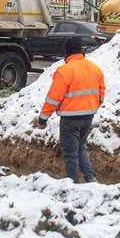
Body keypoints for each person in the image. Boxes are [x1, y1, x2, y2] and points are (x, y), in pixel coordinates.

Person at [34, 36, 105, 183]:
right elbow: (101, 93)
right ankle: (90, 177)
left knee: (70, 153)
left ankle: (73, 185)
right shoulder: (94, 68)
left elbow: (53, 99)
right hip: (88, 117)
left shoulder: (64, 71)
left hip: (70, 120)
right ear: (81, 50)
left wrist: (43, 118)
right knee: (80, 147)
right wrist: (91, 107)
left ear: (66, 52)